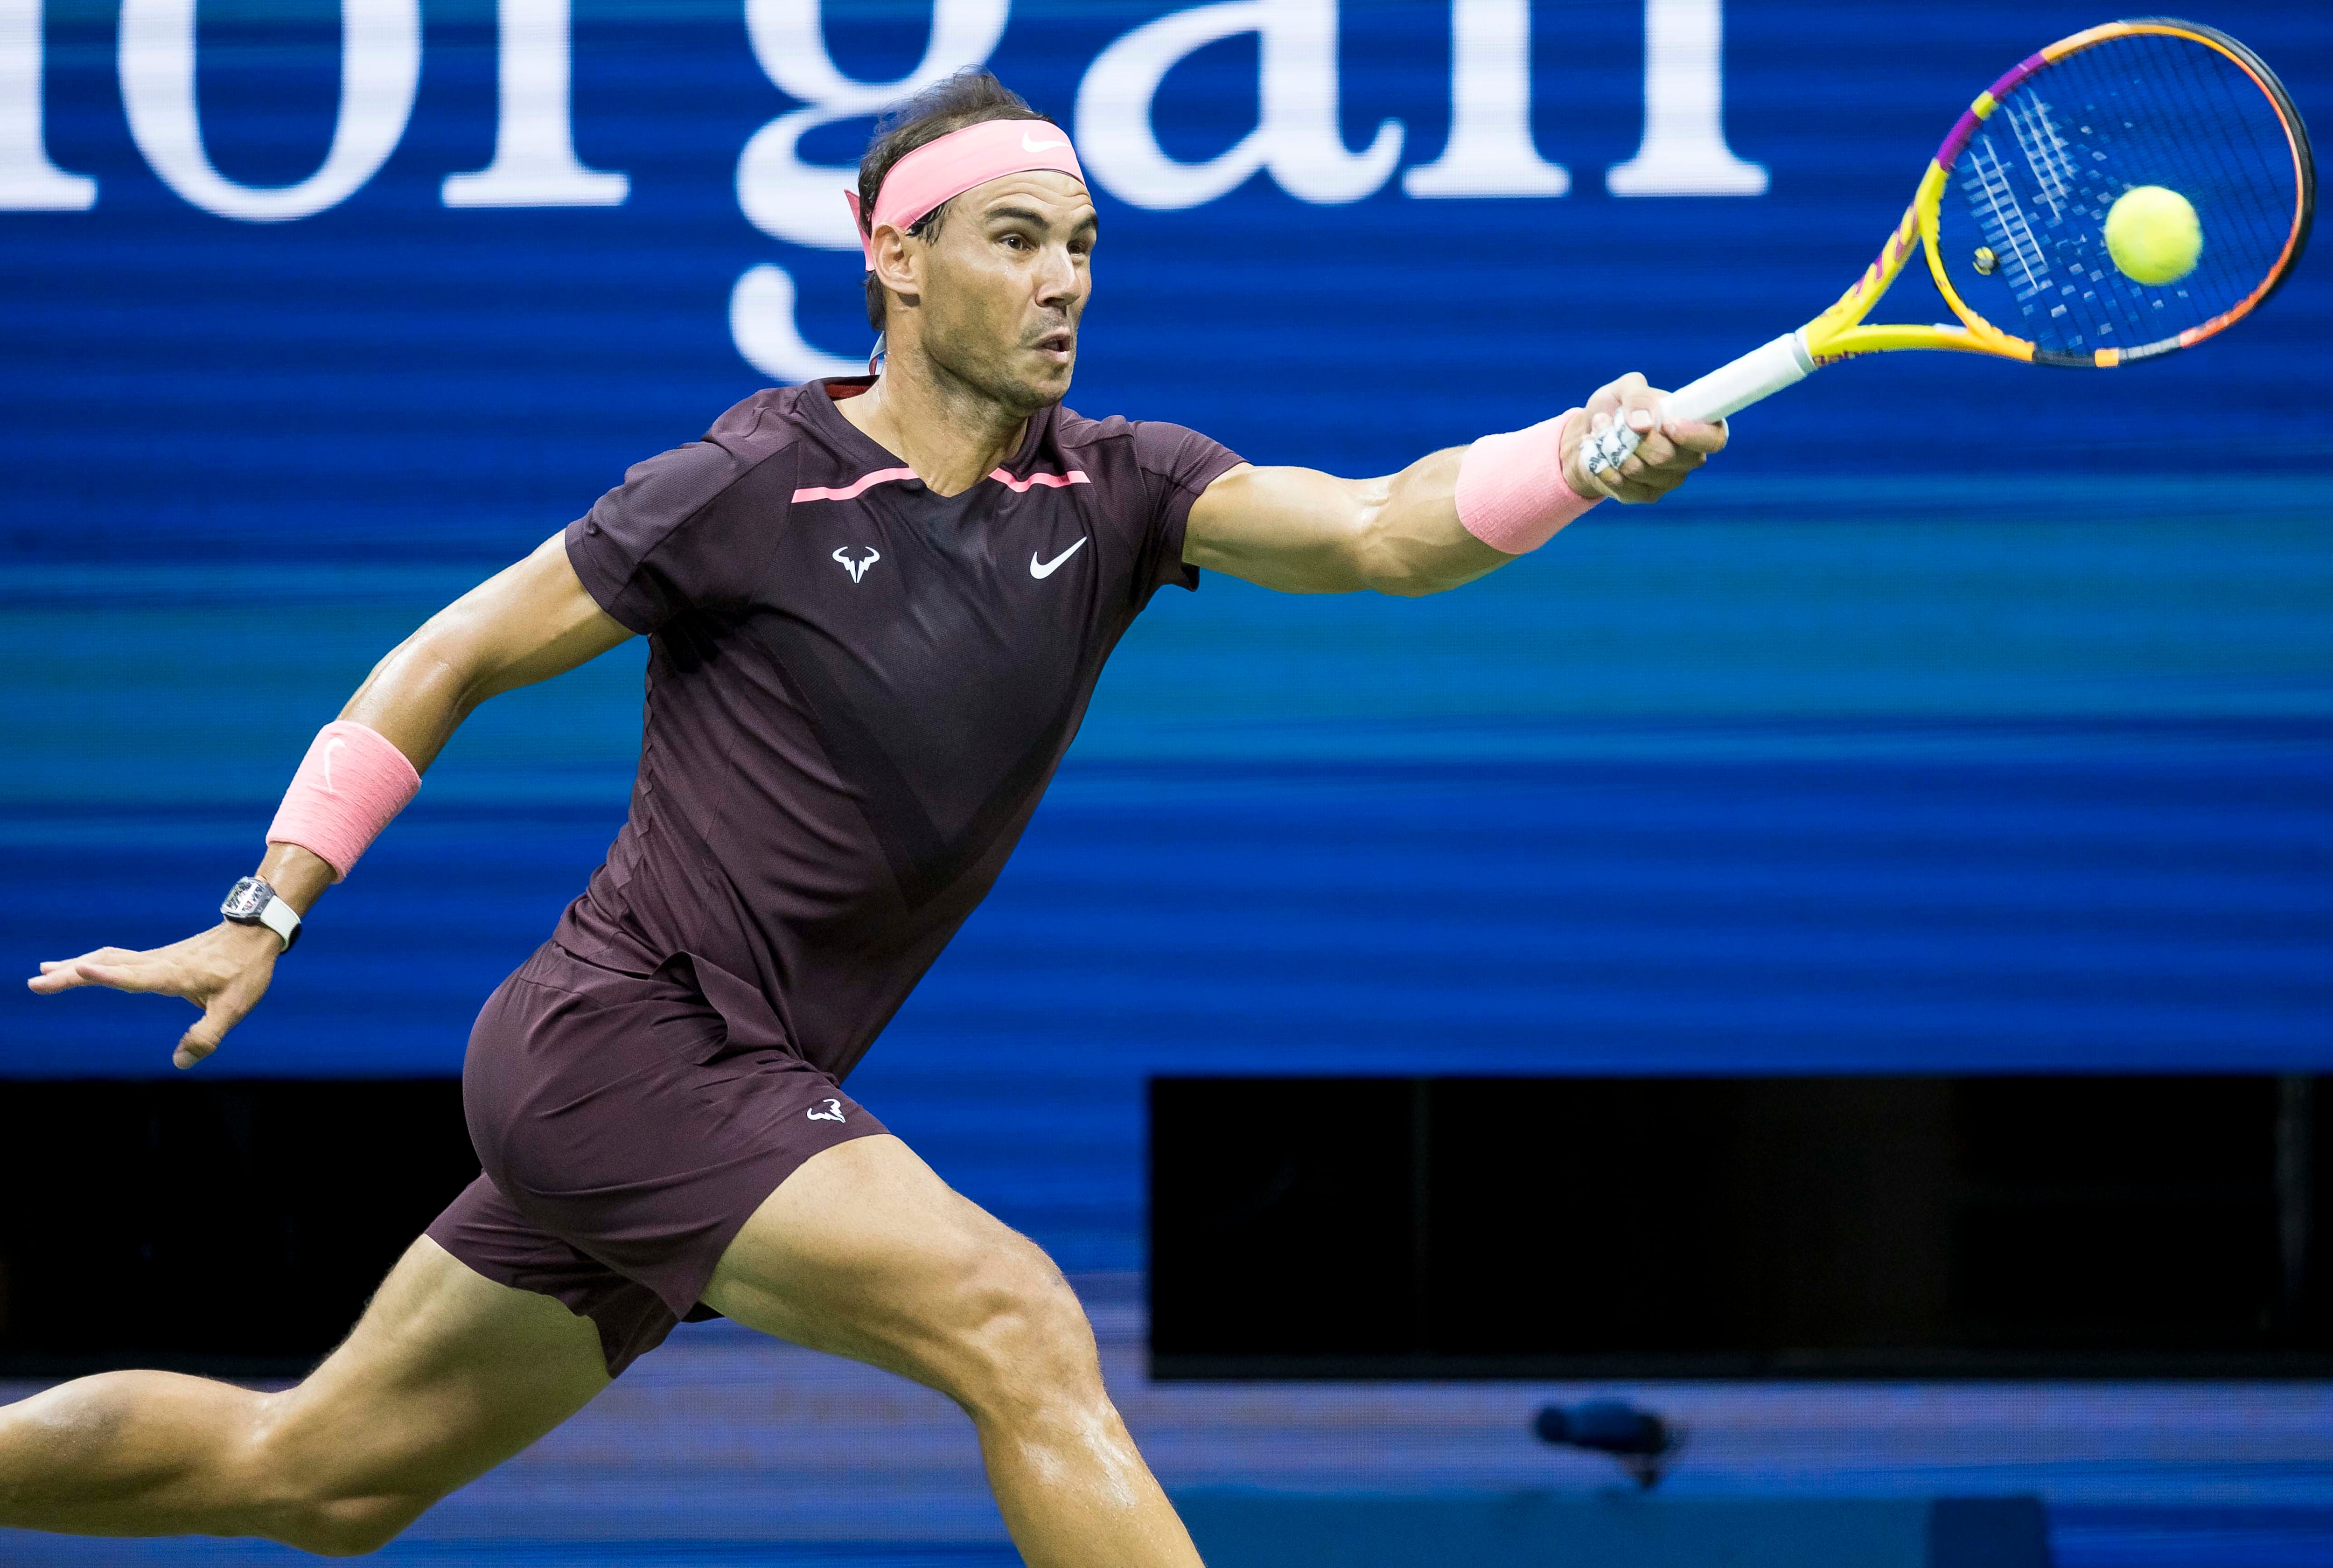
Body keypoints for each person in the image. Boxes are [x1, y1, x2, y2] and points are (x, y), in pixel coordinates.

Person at [11, 70, 1721, 1566]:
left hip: (720, 1082)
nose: (1065, 282)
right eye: (1015, 239)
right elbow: (449, 653)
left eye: (1084, 246)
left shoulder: (1124, 488)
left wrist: (1580, 454)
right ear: (894, 258)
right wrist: (269, 904)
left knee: (320, 1474)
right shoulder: (747, 486)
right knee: (1016, 1318)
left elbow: (1376, 530)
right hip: (627, 1047)